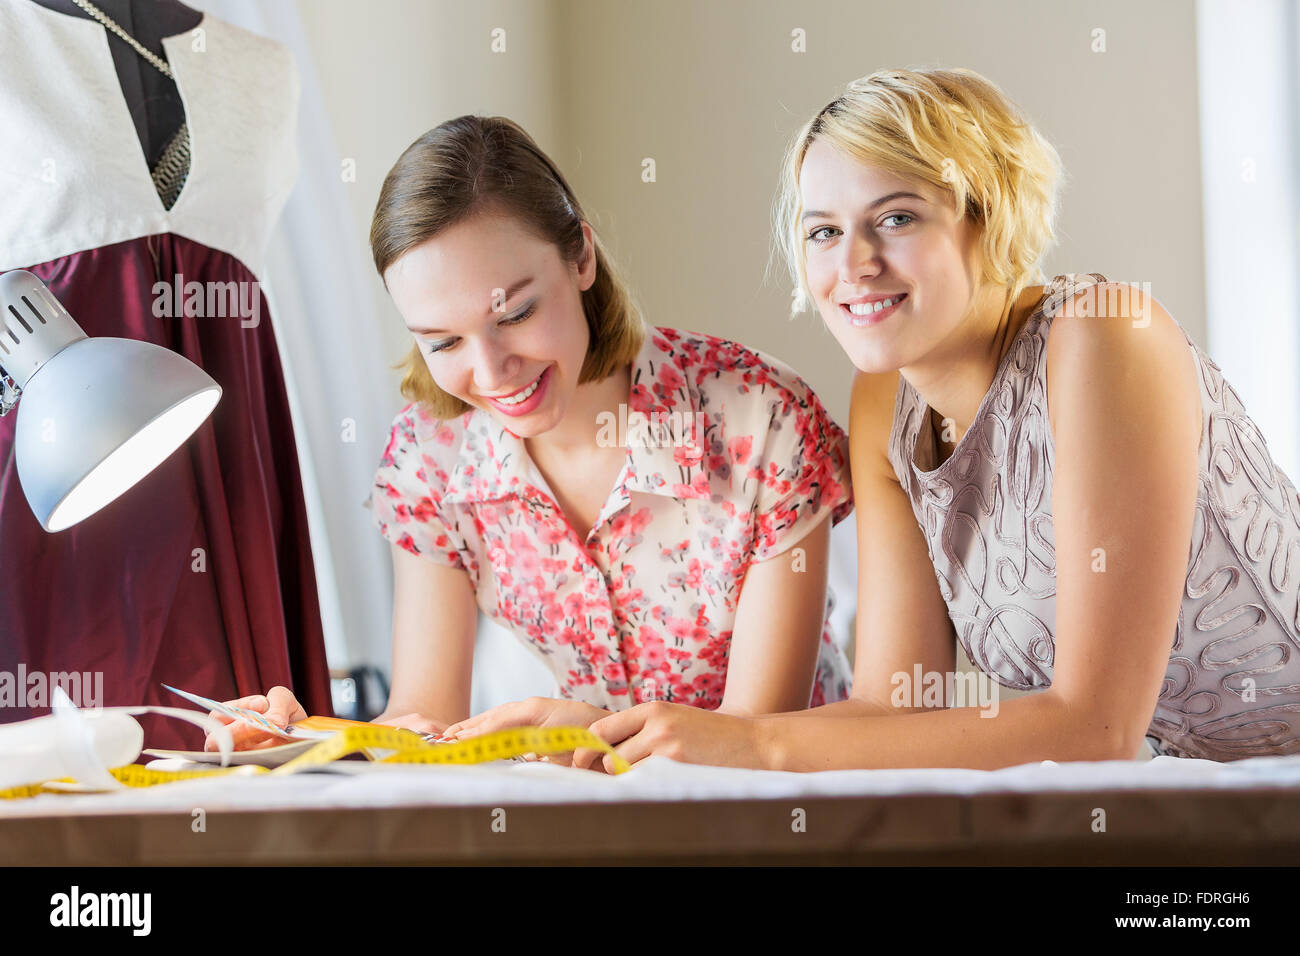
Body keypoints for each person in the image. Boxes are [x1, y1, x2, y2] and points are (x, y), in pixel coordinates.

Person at [564, 66, 1300, 772]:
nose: (852, 264)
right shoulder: (885, 399)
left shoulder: (1104, 337)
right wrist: (637, 735)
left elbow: (1096, 726)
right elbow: (894, 706)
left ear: (991, 216)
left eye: (896, 218)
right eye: (823, 231)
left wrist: (756, 749)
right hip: (1227, 798)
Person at [205, 115, 854, 754]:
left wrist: (585, 725)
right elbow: (424, 719)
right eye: (443, 341)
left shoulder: (759, 417)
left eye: (514, 313)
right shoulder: (430, 456)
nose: (491, 373)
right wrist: (303, 735)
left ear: (581, 257)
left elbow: (755, 740)